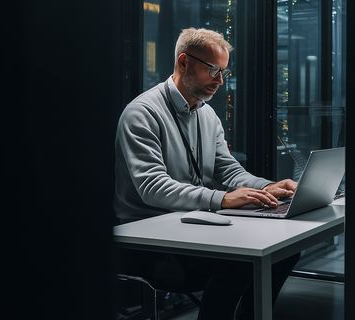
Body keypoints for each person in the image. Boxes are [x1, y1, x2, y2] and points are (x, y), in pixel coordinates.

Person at [114, 27, 299, 319]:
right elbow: (153, 187)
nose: (220, 81)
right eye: (213, 70)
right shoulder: (142, 113)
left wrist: (270, 187)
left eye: (223, 71)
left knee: (284, 252)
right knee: (238, 261)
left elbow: (229, 170)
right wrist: (222, 200)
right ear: (184, 62)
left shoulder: (205, 113)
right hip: (150, 238)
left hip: (190, 226)